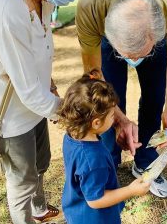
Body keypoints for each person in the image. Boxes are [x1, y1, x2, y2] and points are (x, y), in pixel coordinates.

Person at [0, 0, 96, 223]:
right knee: (22, 180)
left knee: (41, 162)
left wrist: (50, 84)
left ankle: (39, 209)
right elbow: (27, 91)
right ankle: (25, 218)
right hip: (12, 115)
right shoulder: (7, 12)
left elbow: (38, 51)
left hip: (40, 103)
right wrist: (72, 116)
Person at [76, 0, 167, 198]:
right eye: (128, 56)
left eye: (143, 54)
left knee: (154, 95)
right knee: (107, 98)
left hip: (151, 25)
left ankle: (146, 162)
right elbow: (93, 73)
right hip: (110, 19)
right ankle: (109, 162)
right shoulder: (91, 6)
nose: (134, 61)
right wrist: (119, 120)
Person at [59, 69, 150, 224]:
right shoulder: (93, 158)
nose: (115, 118)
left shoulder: (71, 135)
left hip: (76, 210)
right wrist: (131, 190)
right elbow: (95, 200)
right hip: (95, 219)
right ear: (96, 123)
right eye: (112, 115)